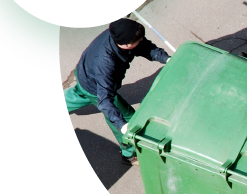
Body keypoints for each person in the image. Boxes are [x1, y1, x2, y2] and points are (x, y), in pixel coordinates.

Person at [64, 18, 170, 165]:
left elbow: (144, 46)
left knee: (78, 94)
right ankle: (129, 154)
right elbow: (104, 100)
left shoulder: (122, 33)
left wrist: (166, 59)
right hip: (96, 87)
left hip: (85, 73)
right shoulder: (106, 63)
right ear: (126, 45)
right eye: (137, 41)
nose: (141, 42)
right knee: (128, 118)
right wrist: (122, 124)